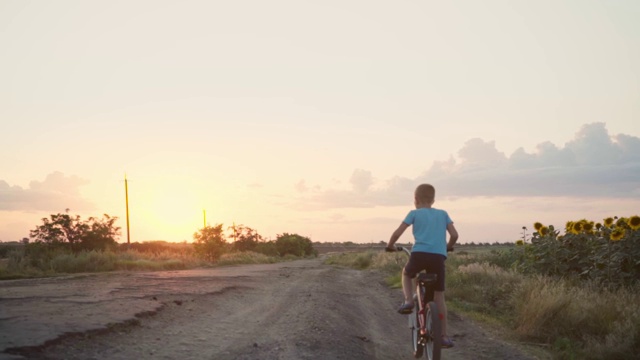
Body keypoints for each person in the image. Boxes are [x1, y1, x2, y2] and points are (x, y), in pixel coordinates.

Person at [386, 183, 458, 348]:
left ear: (415, 200)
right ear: (433, 200)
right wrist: (447, 247)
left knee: (406, 273)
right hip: (438, 257)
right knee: (439, 296)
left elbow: (397, 232)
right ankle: (443, 336)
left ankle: (408, 301)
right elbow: (454, 234)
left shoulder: (414, 213)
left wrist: (390, 245)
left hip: (419, 254)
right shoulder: (443, 214)